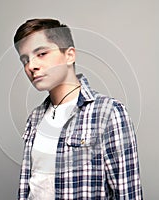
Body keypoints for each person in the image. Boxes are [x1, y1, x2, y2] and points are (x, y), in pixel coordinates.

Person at [13, 18, 143, 200]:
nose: (31, 66)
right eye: (25, 60)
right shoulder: (35, 118)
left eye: (41, 53)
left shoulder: (108, 113)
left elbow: (128, 195)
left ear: (69, 55)